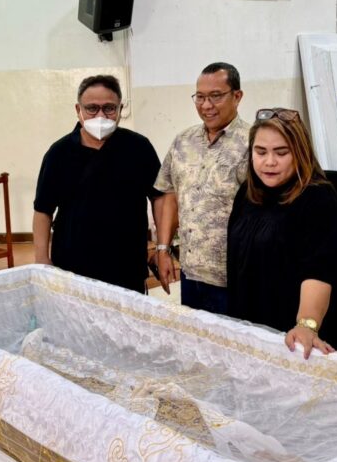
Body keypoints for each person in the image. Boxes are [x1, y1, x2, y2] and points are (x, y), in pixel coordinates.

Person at [227, 108, 337, 357]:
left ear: (299, 152)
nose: (269, 162)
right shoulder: (247, 193)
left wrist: (306, 325)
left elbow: (319, 269)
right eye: (260, 152)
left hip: (296, 338)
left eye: (281, 152)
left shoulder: (317, 197)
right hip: (254, 328)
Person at [33, 74, 160, 293]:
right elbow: (43, 210)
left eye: (109, 108)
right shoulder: (59, 153)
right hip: (73, 266)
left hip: (126, 265)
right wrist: (42, 259)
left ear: (120, 108)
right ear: (78, 109)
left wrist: (162, 247)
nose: (100, 115)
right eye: (92, 108)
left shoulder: (138, 147)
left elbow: (160, 197)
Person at [154, 62, 250, 314]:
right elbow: (170, 194)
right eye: (200, 97)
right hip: (191, 271)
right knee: (196, 344)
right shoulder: (183, 141)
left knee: (232, 346)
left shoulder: (254, 143)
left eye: (216, 96)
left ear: (237, 96)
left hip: (234, 276)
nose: (206, 106)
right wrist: (163, 249)